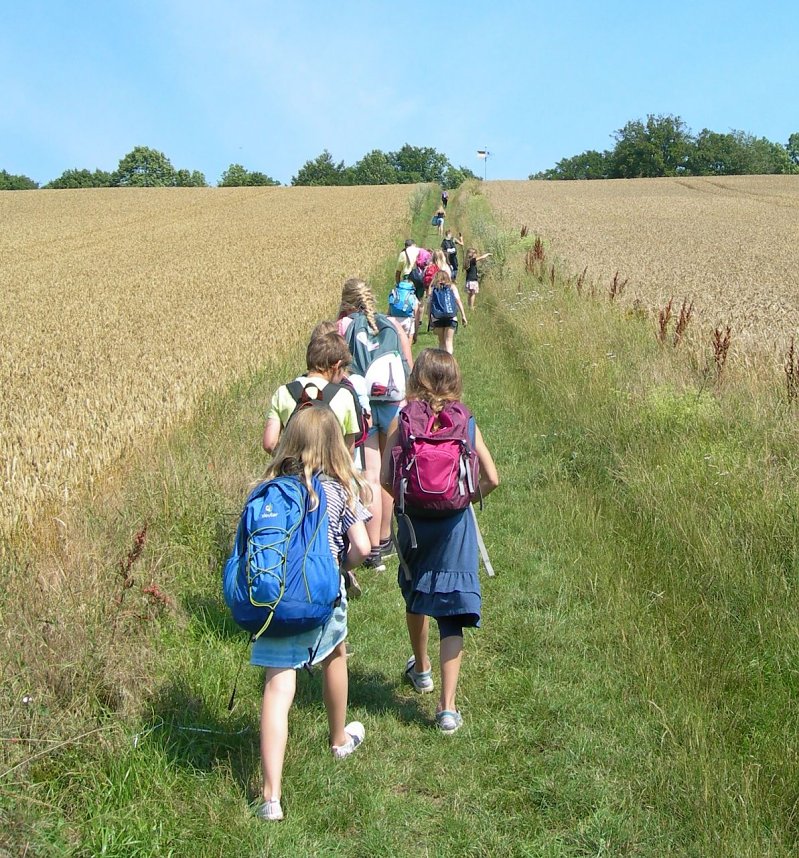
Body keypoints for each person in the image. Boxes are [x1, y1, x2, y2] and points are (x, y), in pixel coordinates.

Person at [253, 406, 372, 821]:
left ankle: (271, 797)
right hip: (322, 598)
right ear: (334, 445)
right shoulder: (340, 490)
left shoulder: (270, 487)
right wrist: (342, 567)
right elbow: (361, 548)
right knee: (335, 657)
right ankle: (338, 739)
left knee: (277, 687)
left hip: (275, 600)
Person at [380, 349, 499, 734]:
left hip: (414, 524)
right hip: (454, 527)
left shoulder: (404, 421)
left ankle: (422, 669)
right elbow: (493, 478)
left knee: (415, 593)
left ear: (416, 379)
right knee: (452, 614)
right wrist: (463, 499)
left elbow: (384, 478)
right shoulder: (465, 422)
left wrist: (410, 501)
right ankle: (447, 709)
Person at [338, 278, 413, 571]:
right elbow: (407, 363)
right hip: (393, 404)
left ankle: (371, 552)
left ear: (347, 303)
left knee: (369, 475)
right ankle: (384, 540)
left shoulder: (344, 327)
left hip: (364, 407)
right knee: (387, 474)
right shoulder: (391, 325)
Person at [262, 332, 361, 455]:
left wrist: (287, 460)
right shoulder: (344, 396)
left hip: (291, 471)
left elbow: (269, 443)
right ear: (337, 365)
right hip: (329, 471)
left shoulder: (283, 392)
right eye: (344, 368)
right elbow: (349, 450)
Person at [428, 271, 467, 355]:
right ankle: (449, 362)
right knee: (449, 342)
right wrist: (463, 315)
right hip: (451, 317)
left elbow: (429, 304)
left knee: (441, 342)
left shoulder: (434, 288)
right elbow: (458, 301)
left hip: (437, 317)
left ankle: (442, 363)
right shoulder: (452, 287)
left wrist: (430, 319)